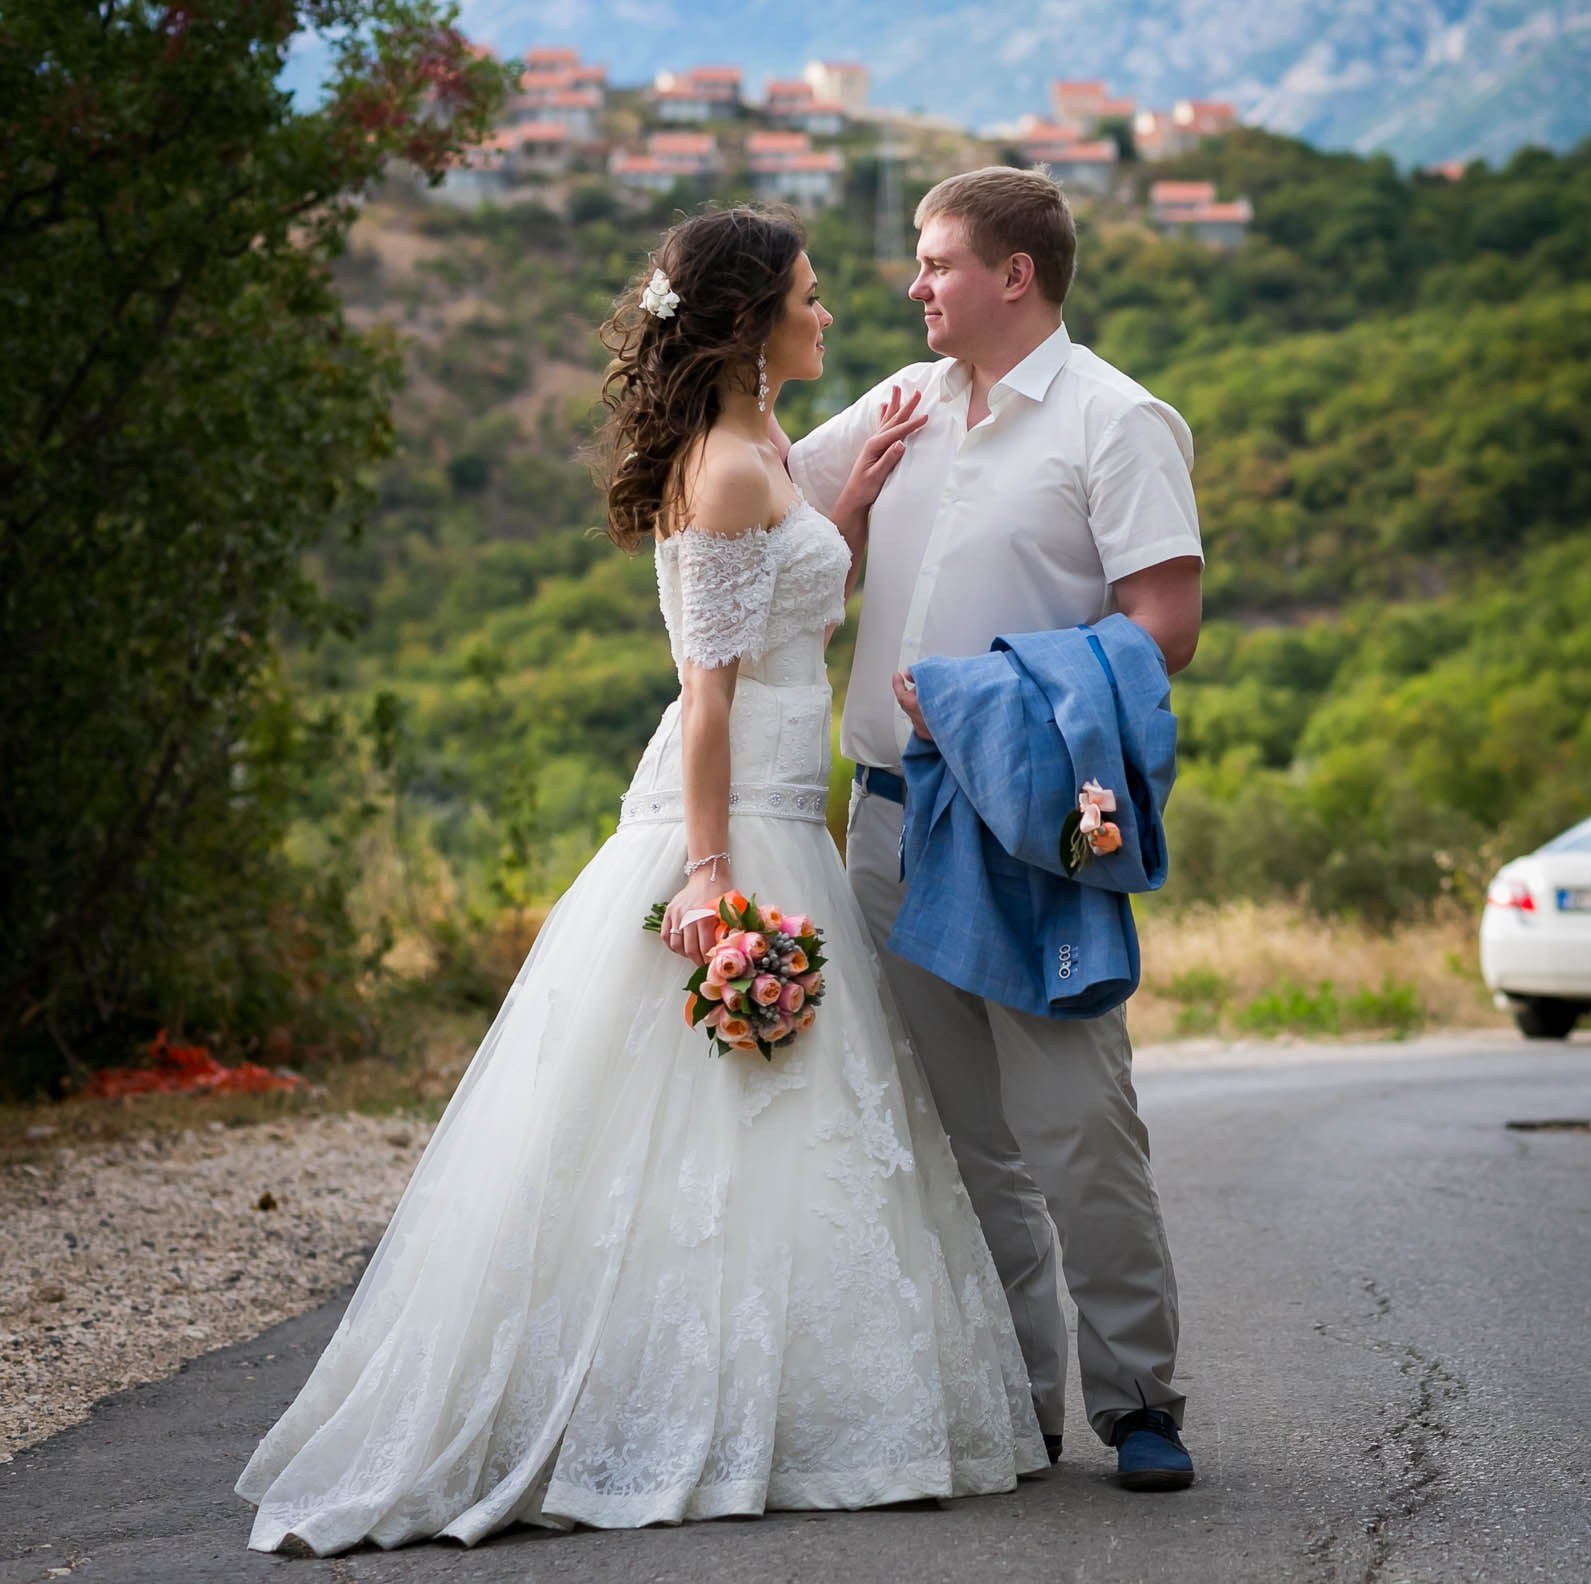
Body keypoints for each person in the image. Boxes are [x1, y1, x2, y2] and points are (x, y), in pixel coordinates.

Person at [235, 205, 1046, 1557]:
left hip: (786, 796)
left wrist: (842, 511)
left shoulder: (765, 448)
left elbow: (789, 609)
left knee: (779, 1122)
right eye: (806, 294)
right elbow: (709, 697)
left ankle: (784, 1399)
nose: (828, 313)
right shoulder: (725, 468)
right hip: (736, 815)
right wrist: (711, 878)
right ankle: (676, 1404)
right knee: (729, 1111)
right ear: (745, 323)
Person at [787, 167, 1204, 1491]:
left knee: (1079, 1124)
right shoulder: (895, 407)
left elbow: (1164, 625)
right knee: (958, 1139)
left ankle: (1139, 1403)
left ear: (1013, 276)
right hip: (887, 822)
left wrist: (994, 701)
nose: (913, 286)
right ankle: (1009, 1404)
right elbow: (755, 519)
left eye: (938, 262)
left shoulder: (1117, 421)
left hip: (1026, 823)